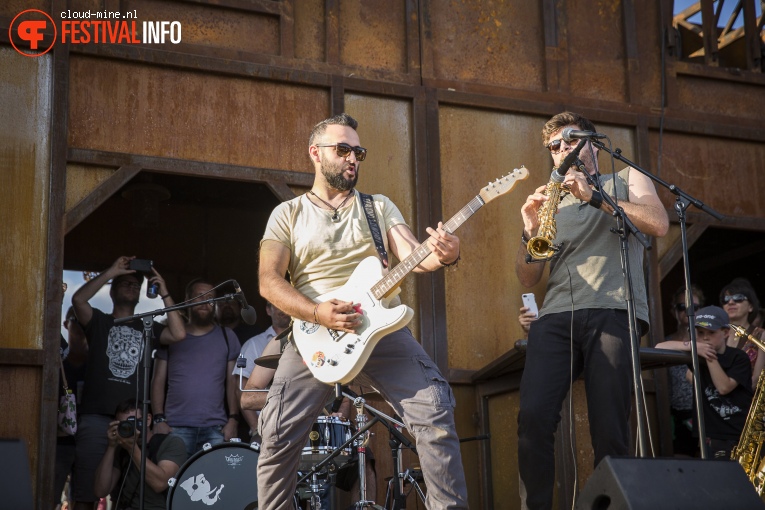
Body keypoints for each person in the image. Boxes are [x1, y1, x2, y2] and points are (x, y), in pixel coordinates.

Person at [255, 113, 468, 509]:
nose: (353, 157)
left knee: (435, 414)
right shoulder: (288, 214)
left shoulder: (378, 207)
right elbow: (269, 282)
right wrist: (318, 313)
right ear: (315, 154)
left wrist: (443, 256)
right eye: (343, 149)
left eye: (359, 151)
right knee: (277, 438)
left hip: (381, 330)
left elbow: (414, 257)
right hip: (314, 334)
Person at [515, 111, 669, 509]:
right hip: (556, 316)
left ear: (592, 142)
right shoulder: (549, 199)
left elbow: (658, 222)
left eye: (570, 140)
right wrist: (529, 231)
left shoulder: (626, 178)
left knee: (610, 428)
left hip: (612, 309)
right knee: (532, 418)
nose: (562, 150)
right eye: (554, 146)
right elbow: (528, 277)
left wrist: (595, 196)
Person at [70, 256, 184, 510]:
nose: (132, 286)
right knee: (87, 493)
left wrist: (164, 291)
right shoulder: (99, 321)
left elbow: (178, 333)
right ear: (111, 290)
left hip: (136, 420)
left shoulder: (147, 326)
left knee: (130, 485)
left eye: (136, 284)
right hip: (97, 417)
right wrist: (111, 270)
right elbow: (78, 300)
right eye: (125, 282)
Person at [151, 278, 242, 457]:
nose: (205, 301)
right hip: (175, 426)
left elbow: (233, 381)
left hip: (216, 428)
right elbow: (158, 380)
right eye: (199, 296)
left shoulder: (227, 336)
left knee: (217, 484)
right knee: (173, 483)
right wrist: (158, 418)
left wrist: (233, 419)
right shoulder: (171, 336)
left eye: (210, 297)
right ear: (187, 299)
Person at [656, 306, 753, 459]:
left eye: (711, 333)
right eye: (700, 333)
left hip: (739, 433)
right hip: (710, 434)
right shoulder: (697, 355)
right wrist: (692, 345)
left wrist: (709, 356)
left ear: (726, 333)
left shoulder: (738, 357)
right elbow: (659, 347)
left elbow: (724, 387)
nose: (705, 337)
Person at [93, 398, 187, 510]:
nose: (128, 428)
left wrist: (132, 449)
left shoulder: (171, 443)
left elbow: (160, 484)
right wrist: (111, 446)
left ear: (147, 420)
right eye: (123, 424)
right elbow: (100, 491)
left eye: (132, 422)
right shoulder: (121, 448)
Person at [235, 301, 291, 436]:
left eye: (287, 304)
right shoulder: (253, 344)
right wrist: (256, 428)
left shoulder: (309, 344)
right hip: (268, 429)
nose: (283, 308)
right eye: (278, 304)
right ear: (268, 310)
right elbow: (241, 391)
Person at [664, 285, 705, 456]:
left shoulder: (707, 337)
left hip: (705, 412)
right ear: (674, 311)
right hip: (677, 416)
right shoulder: (666, 341)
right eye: (682, 307)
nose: (688, 312)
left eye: (694, 308)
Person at [54, 306, 88, 509]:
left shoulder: (99, 363)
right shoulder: (55, 358)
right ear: (66, 324)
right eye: (76, 320)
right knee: (50, 495)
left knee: (85, 500)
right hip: (59, 442)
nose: (82, 326)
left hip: (87, 440)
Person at [719, 278, 765, 387]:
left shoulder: (761, 335)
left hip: (747, 400)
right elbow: (691, 374)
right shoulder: (715, 333)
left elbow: (757, 379)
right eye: (726, 299)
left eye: (738, 298)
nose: (731, 302)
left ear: (751, 307)